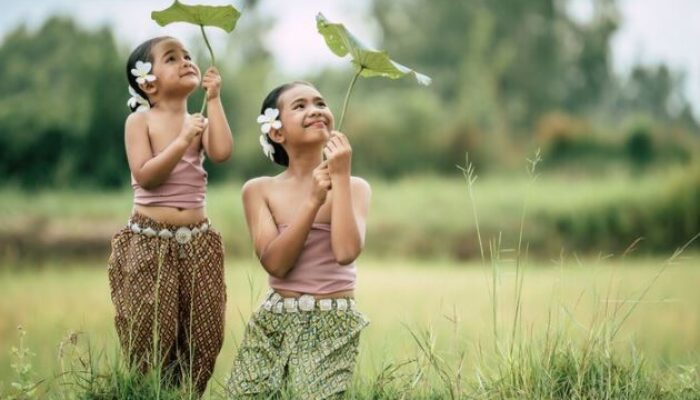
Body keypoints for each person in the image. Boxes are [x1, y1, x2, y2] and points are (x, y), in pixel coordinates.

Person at [227, 81, 371, 399]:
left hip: (332, 320)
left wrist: (341, 177)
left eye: (320, 103)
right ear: (277, 133)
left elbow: (347, 251)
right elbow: (276, 264)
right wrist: (313, 202)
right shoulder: (259, 190)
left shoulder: (356, 187)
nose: (315, 110)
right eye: (300, 106)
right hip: (274, 318)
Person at [107, 36, 233, 395]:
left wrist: (214, 100)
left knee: (203, 330)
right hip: (150, 240)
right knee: (149, 328)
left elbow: (222, 152)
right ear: (148, 82)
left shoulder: (199, 120)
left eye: (188, 56)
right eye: (172, 58)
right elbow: (146, 174)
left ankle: (189, 394)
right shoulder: (139, 121)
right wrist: (181, 141)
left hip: (198, 240)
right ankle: (150, 391)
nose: (186, 61)